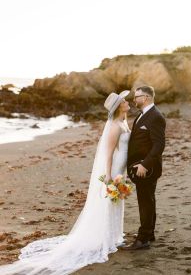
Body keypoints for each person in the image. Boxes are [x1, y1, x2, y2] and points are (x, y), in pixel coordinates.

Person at [0, 90, 131, 275]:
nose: (127, 102)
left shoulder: (122, 122)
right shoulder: (115, 127)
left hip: (121, 169)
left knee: (117, 201)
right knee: (110, 201)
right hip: (114, 169)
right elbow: (108, 153)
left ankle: (114, 236)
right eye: (124, 101)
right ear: (119, 107)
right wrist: (108, 176)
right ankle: (106, 239)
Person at [123, 85, 166, 250]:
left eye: (137, 97)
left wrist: (145, 165)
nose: (134, 100)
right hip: (140, 167)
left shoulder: (156, 116)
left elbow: (159, 145)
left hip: (147, 169)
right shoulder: (142, 115)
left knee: (145, 202)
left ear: (146, 98)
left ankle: (142, 240)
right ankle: (149, 233)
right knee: (148, 200)